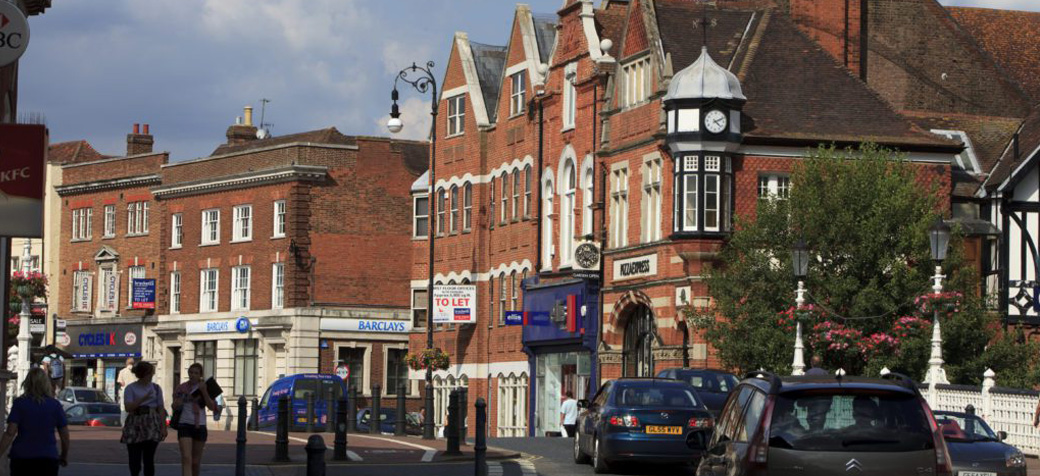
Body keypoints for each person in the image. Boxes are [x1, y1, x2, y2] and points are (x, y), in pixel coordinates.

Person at [0, 367, 70, 476]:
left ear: (27, 383)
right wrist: (64, 455)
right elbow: (64, 435)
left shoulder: (20, 403)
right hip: (47, 457)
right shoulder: (55, 405)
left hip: (22, 457)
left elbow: (10, 433)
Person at [121, 361, 167, 476]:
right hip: (135, 422)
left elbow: (161, 408)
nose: (151, 376)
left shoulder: (156, 388)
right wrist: (144, 397)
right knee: (134, 459)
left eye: (152, 373)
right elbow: (128, 407)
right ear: (142, 374)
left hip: (151, 423)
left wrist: (163, 427)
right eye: (149, 374)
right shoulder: (130, 388)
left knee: (149, 458)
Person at [173, 363, 218, 476]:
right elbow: (174, 405)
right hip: (184, 424)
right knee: (186, 458)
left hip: (200, 425)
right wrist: (177, 403)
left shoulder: (207, 387)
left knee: (195, 462)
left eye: (196, 373)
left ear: (200, 375)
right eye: (191, 372)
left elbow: (212, 407)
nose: (193, 375)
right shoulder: (181, 387)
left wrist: (204, 391)